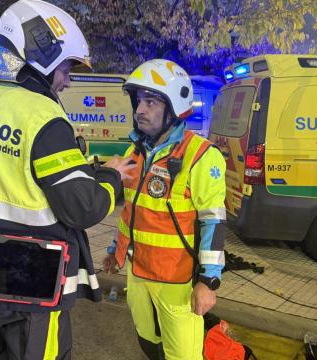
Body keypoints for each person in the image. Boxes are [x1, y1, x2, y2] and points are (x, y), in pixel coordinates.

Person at [0, 1, 134, 359]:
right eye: (67, 66)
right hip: (26, 282)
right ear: (42, 52)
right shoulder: (41, 114)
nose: (68, 79)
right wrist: (111, 177)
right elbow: (83, 208)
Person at [102, 59, 227, 360]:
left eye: (151, 102)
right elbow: (132, 211)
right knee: (149, 344)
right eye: (138, 101)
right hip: (138, 273)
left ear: (173, 108)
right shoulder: (135, 152)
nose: (139, 110)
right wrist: (114, 250)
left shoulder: (200, 156)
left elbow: (214, 222)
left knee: (182, 355)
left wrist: (208, 282)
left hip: (177, 281)